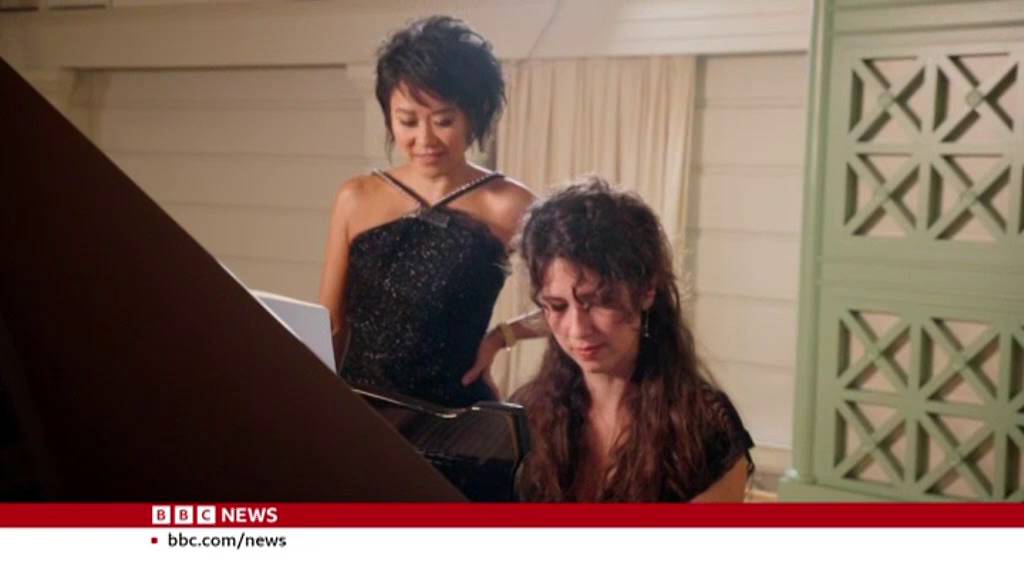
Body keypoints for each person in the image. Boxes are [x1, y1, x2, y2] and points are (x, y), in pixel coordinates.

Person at [319, 16, 537, 407]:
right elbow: (329, 326)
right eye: (407, 121)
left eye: (443, 121)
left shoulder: (509, 204)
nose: (425, 139)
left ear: (475, 114)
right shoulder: (356, 197)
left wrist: (503, 336)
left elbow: (585, 295)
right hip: (359, 416)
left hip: (457, 420)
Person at [512, 177, 754, 502]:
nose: (577, 329)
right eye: (557, 306)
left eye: (599, 302)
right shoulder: (526, 414)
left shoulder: (704, 426)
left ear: (646, 292)